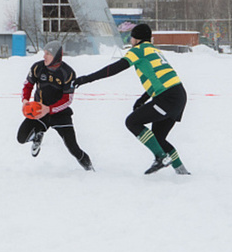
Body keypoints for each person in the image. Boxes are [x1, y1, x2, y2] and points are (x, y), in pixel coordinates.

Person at [75, 23, 190, 175]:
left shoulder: (138, 50)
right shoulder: (153, 50)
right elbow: (158, 78)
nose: (130, 40)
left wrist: (86, 79)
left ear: (137, 39)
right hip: (178, 94)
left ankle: (161, 157)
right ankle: (182, 172)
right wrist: (143, 99)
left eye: (132, 37)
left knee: (132, 122)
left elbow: (115, 68)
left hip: (168, 97)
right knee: (157, 139)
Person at [17, 40, 93, 171]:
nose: (44, 56)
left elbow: (67, 100)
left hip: (60, 114)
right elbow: (28, 85)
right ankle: (38, 135)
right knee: (21, 138)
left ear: (57, 56)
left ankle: (90, 169)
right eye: (44, 53)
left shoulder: (67, 73)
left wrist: (50, 109)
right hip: (39, 112)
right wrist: (25, 100)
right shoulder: (37, 67)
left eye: (48, 54)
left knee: (73, 148)